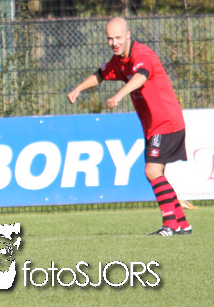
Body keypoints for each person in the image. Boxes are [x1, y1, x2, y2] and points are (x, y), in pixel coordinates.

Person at [67, 17, 193, 236]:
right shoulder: (119, 60)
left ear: (128, 35)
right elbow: (100, 75)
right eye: (110, 39)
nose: (114, 43)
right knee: (157, 174)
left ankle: (170, 225)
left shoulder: (142, 54)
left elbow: (140, 77)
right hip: (154, 125)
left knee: (152, 171)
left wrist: (120, 94)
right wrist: (78, 89)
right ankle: (182, 223)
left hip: (166, 121)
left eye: (118, 37)